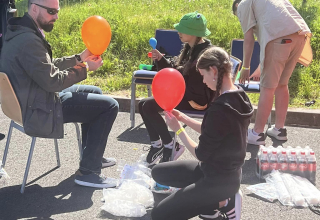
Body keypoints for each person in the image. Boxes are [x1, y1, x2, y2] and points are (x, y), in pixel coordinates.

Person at [0, 0, 119, 188]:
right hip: (39, 109)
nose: (56, 16)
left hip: (31, 100)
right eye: (51, 11)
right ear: (34, 8)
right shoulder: (29, 40)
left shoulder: (19, 32)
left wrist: (79, 59)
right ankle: (88, 172)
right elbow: (53, 81)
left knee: (95, 92)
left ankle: (91, 157)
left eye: (57, 11)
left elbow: (45, 67)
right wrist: (86, 67)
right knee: (110, 106)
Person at [151, 47, 253, 220]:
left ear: (213, 71)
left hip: (217, 181)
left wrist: (178, 129)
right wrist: (183, 118)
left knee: (160, 215)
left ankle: (222, 202)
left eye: (203, 75)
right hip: (221, 172)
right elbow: (214, 130)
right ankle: (210, 205)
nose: (204, 82)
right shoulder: (239, 95)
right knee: (158, 172)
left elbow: (200, 153)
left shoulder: (220, 108)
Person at [233, 0, 312, 145]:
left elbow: (249, 39)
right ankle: (279, 129)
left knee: (267, 88)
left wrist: (246, 68)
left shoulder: (244, 4)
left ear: (237, 7)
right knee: (282, 84)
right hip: (300, 36)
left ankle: (257, 133)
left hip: (280, 38)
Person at [139, 11, 214, 165]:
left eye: (183, 29)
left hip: (196, 99)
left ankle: (171, 145)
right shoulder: (190, 47)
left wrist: (171, 92)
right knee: (142, 104)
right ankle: (157, 145)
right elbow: (177, 71)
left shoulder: (205, 54)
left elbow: (191, 82)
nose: (179, 32)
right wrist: (161, 59)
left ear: (193, 33)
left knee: (148, 107)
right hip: (184, 94)